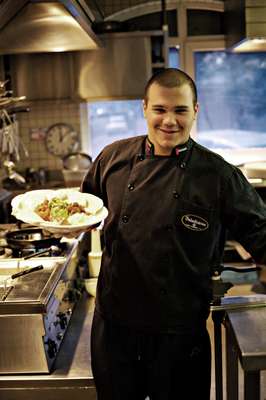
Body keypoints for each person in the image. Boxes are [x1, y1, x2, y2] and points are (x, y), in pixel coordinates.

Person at [81, 68, 266, 400]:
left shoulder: (218, 175)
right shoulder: (112, 158)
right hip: (115, 329)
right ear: (144, 109)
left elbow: (261, 233)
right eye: (160, 110)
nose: (169, 121)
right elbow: (84, 209)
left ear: (195, 110)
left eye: (180, 110)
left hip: (179, 333)